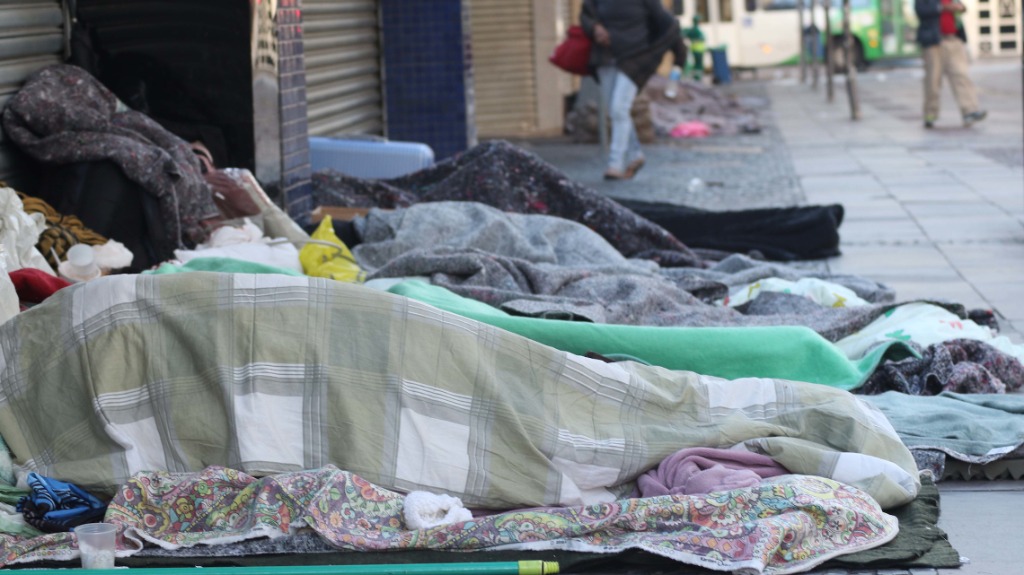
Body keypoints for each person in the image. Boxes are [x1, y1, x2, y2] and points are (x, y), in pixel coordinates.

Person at [580, 0, 687, 180]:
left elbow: (669, 26)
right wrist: (595, 28)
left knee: (619, 108)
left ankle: (615, 164)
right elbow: (586, 15)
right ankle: (635, 155)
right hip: (605, 58)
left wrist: (678, 60)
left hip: (635, 59)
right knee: (615, 112)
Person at [914, 0, 987, 128]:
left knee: (961, 75)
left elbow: (963, 7)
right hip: (934, 42)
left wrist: (960, 7)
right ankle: (930, 114)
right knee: (933, 80)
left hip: (954, 39)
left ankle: (969, 111)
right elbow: (921, 10)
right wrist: (944, 8)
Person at [684, 15, 706, 81]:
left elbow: (685, 35)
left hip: (694, 49)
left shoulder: (691, 30)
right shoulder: (696, 30)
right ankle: (698, 78)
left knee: (696, 64)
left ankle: (696, 77)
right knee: (698, 65)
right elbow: (702, 38)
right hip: (699, 50)